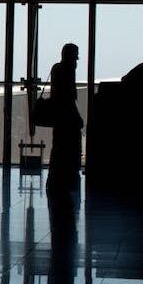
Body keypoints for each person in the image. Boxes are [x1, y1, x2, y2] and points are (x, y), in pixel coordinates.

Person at [48, 43, 84, 187]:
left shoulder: (57, 68)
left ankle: (57, 175)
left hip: (59, 116)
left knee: (59, 145)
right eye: (75, 56)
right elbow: (69, 97)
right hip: (66, 114)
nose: (77, 59)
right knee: (69, 144)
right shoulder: (68, 70)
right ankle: (69, 174)